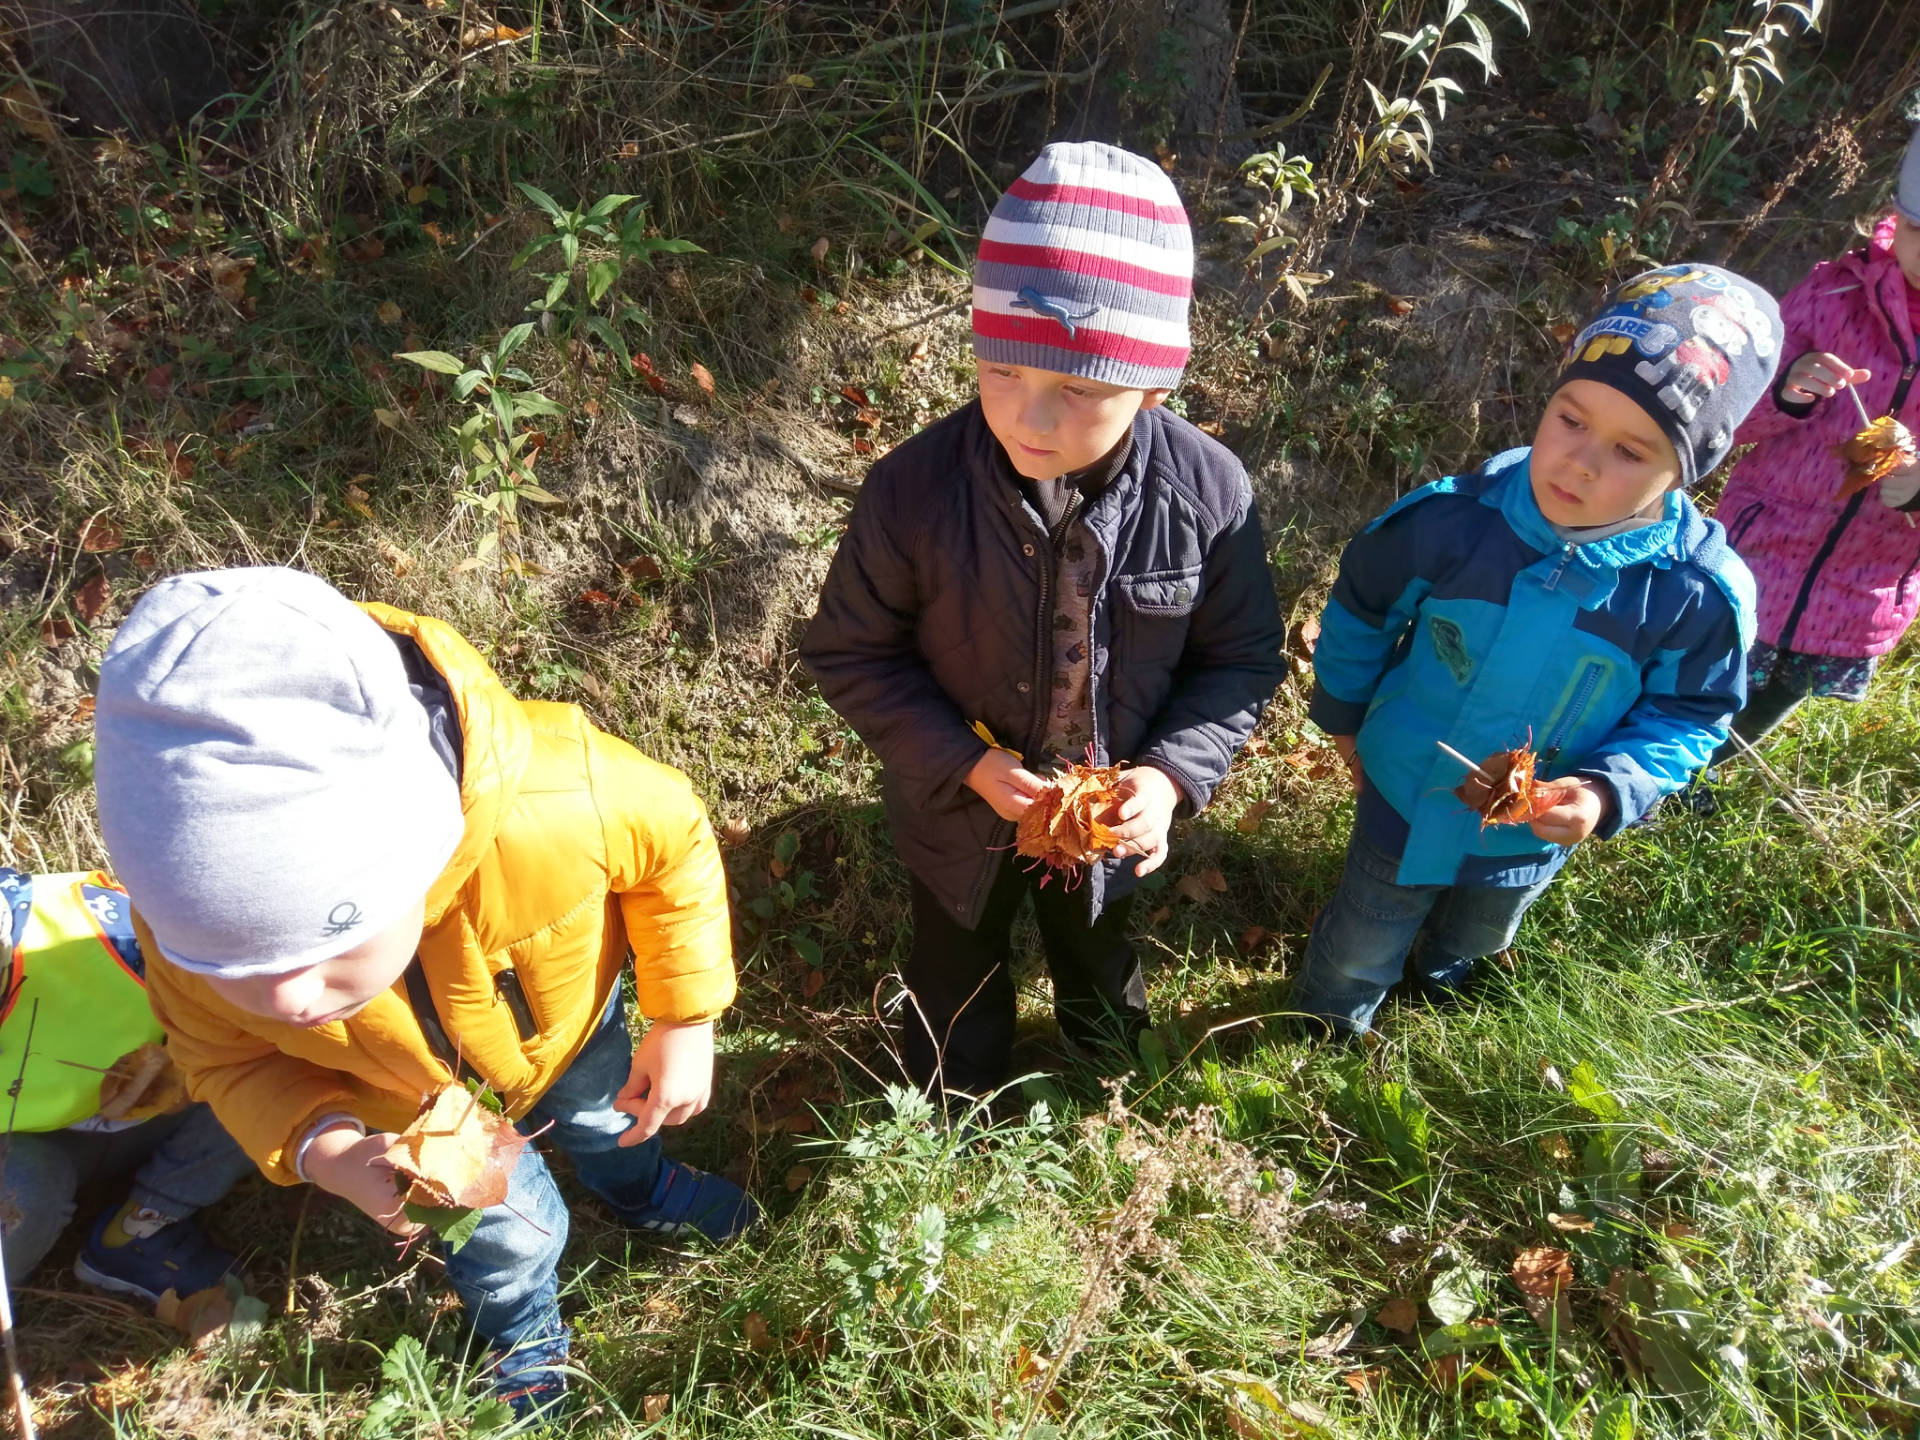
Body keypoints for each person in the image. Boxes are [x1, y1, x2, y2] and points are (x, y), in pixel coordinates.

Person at [91, 567, 756, 1418]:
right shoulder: (186, 947)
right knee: (505, 1238)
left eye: (324, 947)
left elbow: (675, 848)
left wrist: (684, 1014)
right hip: (408, 1107)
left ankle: (638, 1188)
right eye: (237, 970)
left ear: (416, 854)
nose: (290, 999)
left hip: (567, 1031)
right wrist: (321, 1146)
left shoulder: (565, 798)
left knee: (610, 1117)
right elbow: (223, 1060)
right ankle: (522, 1330)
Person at [802, 141, 1286, 1103]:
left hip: (1108, 826)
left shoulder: (1208, 492)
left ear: (1154, 385)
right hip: (956, 813)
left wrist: (1170, 775)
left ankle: (1111, 1073)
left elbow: (1238, 660)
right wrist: (963, 766)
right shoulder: (913, 490)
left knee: (1100, 944)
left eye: (1079, 389)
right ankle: (949, 1096)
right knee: (954, 953)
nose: (1031, 418)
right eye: (1002, 371)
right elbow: (852, 652)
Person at [1292, 265, 1782, 1036]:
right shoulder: (1452, 523)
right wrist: (1346, 719)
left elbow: (1690, 714)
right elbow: (1362, 610)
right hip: (1404, 789)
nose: (1580, 462)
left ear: (1688, 469)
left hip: (1532, 829)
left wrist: (1605, 791)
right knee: (1367, 925)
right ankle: (1327, 1019)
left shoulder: (1693, 596)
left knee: (1481, 929)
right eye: (1571, 419)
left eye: (1630, 451)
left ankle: (1444, 975)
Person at [1692, 125, 1920, 794]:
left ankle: (1693, 782)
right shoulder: (1833, 295)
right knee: (1694, 676)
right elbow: (1731, 416)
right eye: (1915, 231)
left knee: (1764, 706)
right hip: (1760, 552)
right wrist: (1788, 391)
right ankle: (1638, 775)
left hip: (1861, 589)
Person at [0, 867, 251, 1302]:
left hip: (162, 1114)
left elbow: (245, 1009)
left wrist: (188, 1060)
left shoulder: (104, 936)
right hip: (25, 1151)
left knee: (256, 1075)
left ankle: (143, 1225)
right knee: (25, 1190)